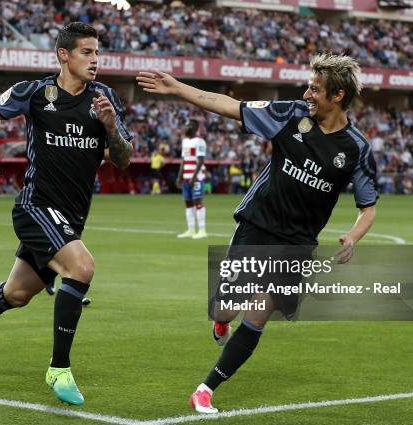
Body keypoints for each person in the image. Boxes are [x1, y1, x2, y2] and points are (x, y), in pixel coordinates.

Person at [137, 53, 377, 413]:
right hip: (258, 225)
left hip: (297, 244)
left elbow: (368, 207)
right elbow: (230, 105)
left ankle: (206, 389)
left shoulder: (356, 148)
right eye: (309, 86)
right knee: (224, 310)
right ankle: (220, 323)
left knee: (260, 313)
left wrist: (353, 236)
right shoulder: (290, 114)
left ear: (338, 96)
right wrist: (177, 88)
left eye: (315, 88)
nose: (307, 93)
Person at [0, 22, 133, 406]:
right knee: (82, 267)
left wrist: (110, 127)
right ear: (64, 55)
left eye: (97, 53)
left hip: (71, 217)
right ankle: (59, 368)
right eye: (86, 52)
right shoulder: (37, 92)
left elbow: (123, 159)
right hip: (35, 207)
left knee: (16, 294)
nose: (95, 60)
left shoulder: (104, 98)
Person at [176, 119, 207, 239]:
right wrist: (180, 176)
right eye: (186, 125)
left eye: (188, 125)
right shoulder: (184, 141)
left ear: (195, 127)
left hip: (196, 178)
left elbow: (201, 161)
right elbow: (183, 160)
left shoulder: (200, 142)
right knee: (188, 203)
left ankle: (202, 230)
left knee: (198, 202)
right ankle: (191, 230)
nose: (186, 127)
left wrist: (194, 177)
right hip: (186, 177)